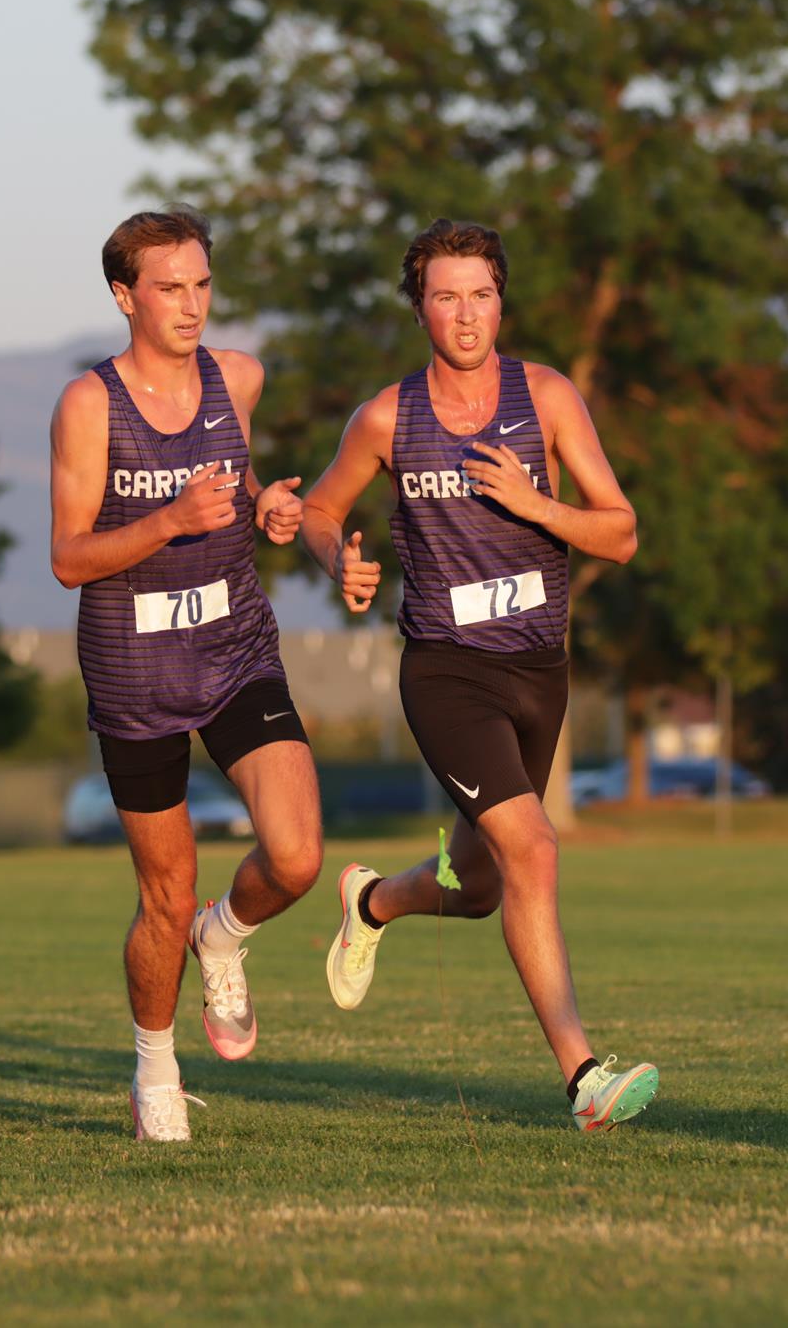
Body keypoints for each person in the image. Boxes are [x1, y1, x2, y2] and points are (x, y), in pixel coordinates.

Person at [299, 218, 658, 1132]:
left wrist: (536, 502)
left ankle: (372, 900)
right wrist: (337, 558)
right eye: (446, 296)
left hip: (540, 669)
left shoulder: (545, 398)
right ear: (420, 306)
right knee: (535, 849)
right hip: (447, 673)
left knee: (486, 882)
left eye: (481, 295)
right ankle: (584, 1075)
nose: (466, 315)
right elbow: (321, 509)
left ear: (503, 301)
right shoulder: (386, 417)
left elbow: (619, 532)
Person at [49, 207, 321, 1141]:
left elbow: (237, 489)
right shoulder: (90, 406)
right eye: (171, 287)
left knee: (296, 856)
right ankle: (154, 1070)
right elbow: (69, 558)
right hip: (134, 668)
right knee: (164, 894)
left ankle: (227, 935)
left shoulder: (235, 378)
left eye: (203, 284)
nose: (192, 304)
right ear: (125, 296)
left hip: (237, 645)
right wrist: (168, 517)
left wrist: (267, 507)